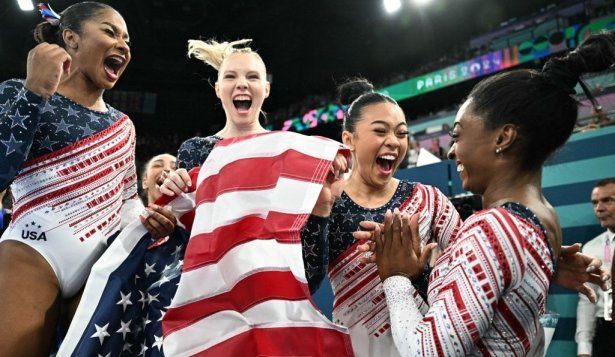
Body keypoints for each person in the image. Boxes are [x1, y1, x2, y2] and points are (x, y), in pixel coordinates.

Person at [367, 32, 615, 355]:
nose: (452, 151)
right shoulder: (544, 218)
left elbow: (425, 351)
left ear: (504, 137)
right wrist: (422, 276)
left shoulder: (493, 230)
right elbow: (497, 309)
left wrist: (395, 278)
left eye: (457, 136)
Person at [0, 3, 174, 354]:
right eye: (110, 32)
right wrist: (34, 94)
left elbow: (127, 201)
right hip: (34, 251)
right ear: (71, 38)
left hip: (103, 267)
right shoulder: (17, 92)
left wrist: (149, 219)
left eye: (126, 38)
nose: (123, 45)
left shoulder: (124, 126)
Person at [301, 78, 462, 357]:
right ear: (348, 139)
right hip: (356, 347)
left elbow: (465, 274)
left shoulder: (429, 199)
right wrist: (320, 212)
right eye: (380, 131)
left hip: (425, 345)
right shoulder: (326, 204)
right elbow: (305, 282)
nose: (393, 142)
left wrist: (415, 271)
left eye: (401, 133)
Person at [576, 177, 615, 357]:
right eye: (595, 203)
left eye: (607, 200)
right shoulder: (592, 248)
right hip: (606, 336)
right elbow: (587, 299)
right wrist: (584, 347)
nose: (599, 208)